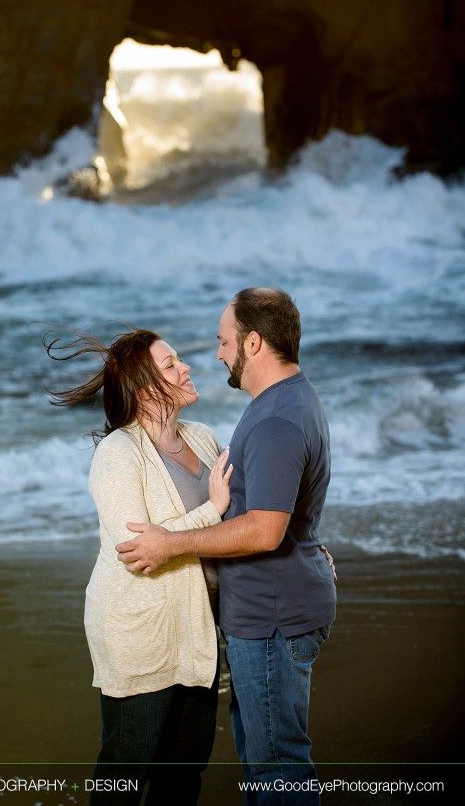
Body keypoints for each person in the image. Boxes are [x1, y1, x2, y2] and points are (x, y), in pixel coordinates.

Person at [116, 288, 337, 805]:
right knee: (270, 763)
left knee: (278, 771)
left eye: (224, 341)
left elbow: (265, 529)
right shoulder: (288, 400)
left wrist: (171, 543)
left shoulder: (277, 419)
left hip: (272, 619)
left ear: (253, 343)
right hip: (274, 610)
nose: (217, 354)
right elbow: (285, 512)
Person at [43, 326, 233, 806]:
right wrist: (211, 509)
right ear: (147, 388)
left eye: (179, 360)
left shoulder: (204, 438)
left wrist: (306, 546)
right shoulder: (118, 453)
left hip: (199, 631)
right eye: (171, 364)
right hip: (141, 633)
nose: (187, 367)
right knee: (126, 773)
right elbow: (139, 551)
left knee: (184, 775)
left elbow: (241, 521)